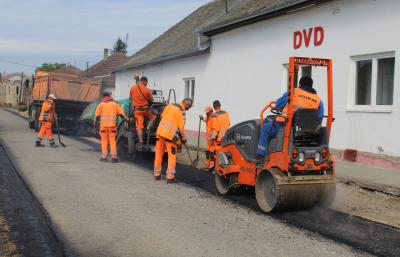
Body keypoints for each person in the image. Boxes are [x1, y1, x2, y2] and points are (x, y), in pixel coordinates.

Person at [256, 76, 324, 160]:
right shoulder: (318, 100)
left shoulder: (294, 91)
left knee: (266, 128)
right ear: (311, 86)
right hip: (307, 130)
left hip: (286, 124)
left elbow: (278, 104)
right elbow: (319, 118)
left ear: (300, 84)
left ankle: (260, 155)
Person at [153, 98, 193, 183]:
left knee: (158, 154)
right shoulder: (181, 111)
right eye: (189, 107)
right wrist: (184, 138)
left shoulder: (169, 105)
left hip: (160, 133)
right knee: (172, 156)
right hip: (170, 136)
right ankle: (170, 177)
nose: (188, 109)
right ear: (187, 105)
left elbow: (161, 116)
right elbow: (181, 128)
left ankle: (157, 174)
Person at [94, 92, 128, 163]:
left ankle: (104, 157)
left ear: (103, 97)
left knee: (104, 141)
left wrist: (96, 126)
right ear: (109, 96)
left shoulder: (100, 105)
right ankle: (114, 157)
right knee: (112, 141)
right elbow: (121, 114)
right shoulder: (115, 104)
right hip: (112, 127)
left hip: (103, 127)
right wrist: (127, 119)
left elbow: (97, 117)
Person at [129, 76, 155, 149]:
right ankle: (147, 128)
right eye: (147, 82)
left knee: (139, 127)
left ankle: (141, 142)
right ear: (145, 81)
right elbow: (151, 100)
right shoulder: (147, 90)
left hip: (137, 111)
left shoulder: (132, 88)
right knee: (153, 117)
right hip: (146, 110)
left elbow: (130, 98)